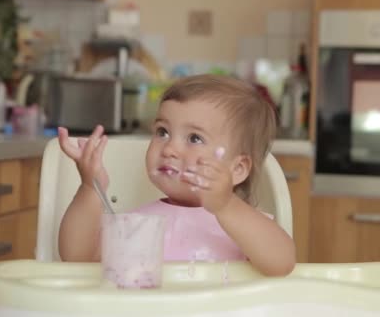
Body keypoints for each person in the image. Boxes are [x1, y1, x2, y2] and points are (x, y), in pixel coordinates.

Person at [57, 74, 296, 276]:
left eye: (194, 138)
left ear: (237, 169)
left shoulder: (246, 226)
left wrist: (225, 206)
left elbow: (282, 263)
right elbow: (77, 257)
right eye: (162, 132)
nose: (169, 149)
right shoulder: (138, 226)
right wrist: (90, 187)